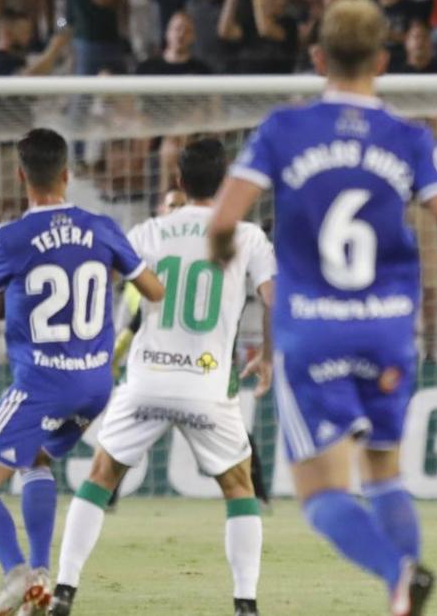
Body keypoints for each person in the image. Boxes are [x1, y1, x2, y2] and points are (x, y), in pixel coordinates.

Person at [207, 0, 437, 616]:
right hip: (385, 332)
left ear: (318, 56)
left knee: (320, 492)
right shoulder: (408, 137)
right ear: (383, 59)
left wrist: (220, 251)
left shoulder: (283, 130)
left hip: (312, 332)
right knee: (383, 471)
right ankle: (400, 597)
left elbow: (223, 220)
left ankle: (398, 576)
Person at [51, 140, 273, 616]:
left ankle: (64, 590)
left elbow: (99, 283)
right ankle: (245, 603)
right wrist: (270, 357)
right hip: (207, 385)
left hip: (148, 377)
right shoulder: (248, 236)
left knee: (101, 476)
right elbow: (275, 299)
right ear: (228, 181)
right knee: (239, 486)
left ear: (177, 179)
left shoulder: (149, 231)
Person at [0, 128, 164, 615]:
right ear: (67, 174)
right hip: (95, 385)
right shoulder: (104, 226)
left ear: (22, 175)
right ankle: (41, 579)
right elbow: (153, 291)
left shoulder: (12, 236)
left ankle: (15, 573)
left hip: (42, 384)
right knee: (36, 461)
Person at [135, 11, 213, 74]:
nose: (181, 34)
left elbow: (215, 93)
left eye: (187, 31)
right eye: (177, 29)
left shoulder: (202, 71)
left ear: (193, 37)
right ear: (167, 32)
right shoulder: (147, 68)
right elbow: (130, 93)